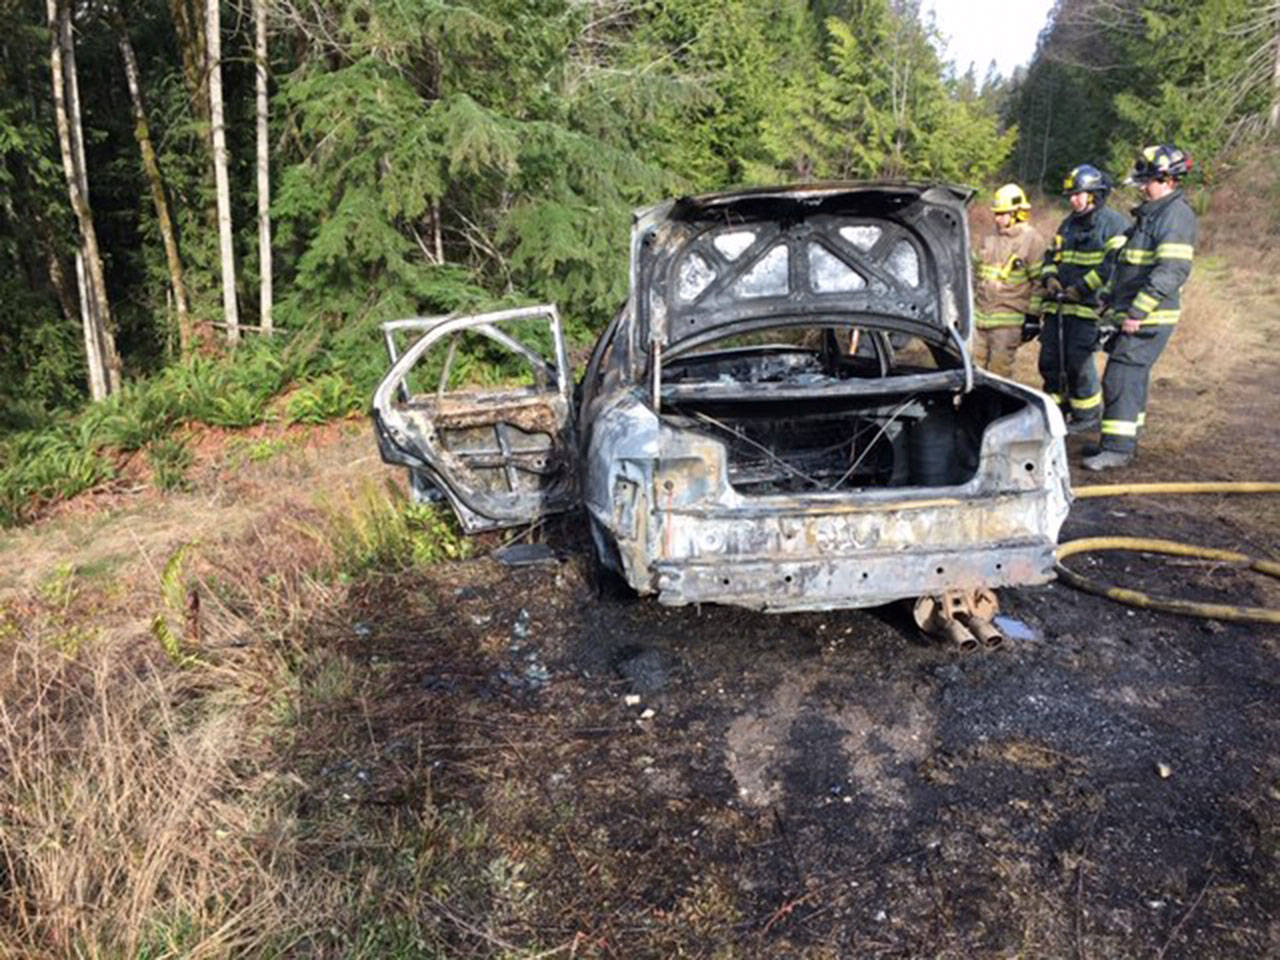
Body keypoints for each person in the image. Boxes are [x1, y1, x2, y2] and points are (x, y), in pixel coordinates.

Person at [1082, 144, 1197, 472]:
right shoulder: (1153, 214)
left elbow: (1171, 270)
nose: (1144, 187)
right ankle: (1123, 440)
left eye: (1149, 181)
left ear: (1169, 180)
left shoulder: (1175, 216)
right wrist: (1109, 297)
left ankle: (1117, 448)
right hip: (1135, 310)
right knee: (1132, 376)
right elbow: (1129, 265)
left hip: (1150, 315)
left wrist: (1137, 312)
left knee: (1121, 376)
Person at [1039, 164, 1130, 433]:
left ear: (1095, 195)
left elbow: (1111, 267)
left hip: (1088, 309)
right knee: (1050, 362)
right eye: (1071, 195)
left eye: (1079, 194)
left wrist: (1080, 289)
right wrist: (1050, 278)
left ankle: (1088, 416)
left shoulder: (1114, 225)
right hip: (1058, 309)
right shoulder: (1067, 225)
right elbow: (1050, 257)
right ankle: (1057, 413)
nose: (1073, 200)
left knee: (1079, 364)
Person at [973, 184, 1046, 378]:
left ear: (1017, 213)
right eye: (996, 214)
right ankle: (973, 408)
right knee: (973, 373)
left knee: (998, 375)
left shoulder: (1032, 240)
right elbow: (976, 274)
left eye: (1002, 214)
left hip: (1008, 322)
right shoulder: (989, 238)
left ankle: (997, 409)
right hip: (980, 319)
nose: (997, 219)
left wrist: (1033, 317)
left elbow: (1039, 283)